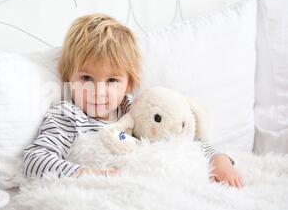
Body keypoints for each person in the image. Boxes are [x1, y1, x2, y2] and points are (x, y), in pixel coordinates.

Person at [23, 13, 243, 188]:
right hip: (103, 193)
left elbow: (181, 138)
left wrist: (219, 160)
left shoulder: (136, 109)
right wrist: (91, 175)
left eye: (112, 80)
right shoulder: (68, 117)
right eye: (87, 78)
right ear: (68, 77)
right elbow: (35, 160)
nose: (99, 91)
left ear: (128, 84)